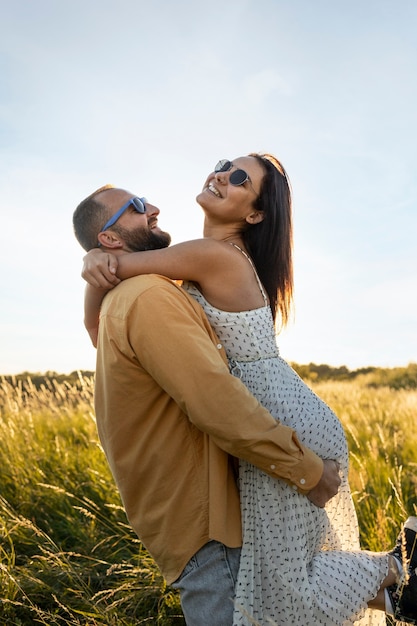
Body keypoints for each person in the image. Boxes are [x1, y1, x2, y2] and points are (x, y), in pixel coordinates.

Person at [80, 155, 417, 626]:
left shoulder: (210, 254)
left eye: (238, 177)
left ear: (254, 215)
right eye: (222, 165)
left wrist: (95, 258)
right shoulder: (195, 266)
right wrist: (97, 260)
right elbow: (101, 320)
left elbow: (115, 268)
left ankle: (395, 569)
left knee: (279, 588)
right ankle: (398, 576)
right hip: (280, 409)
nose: (220, 174)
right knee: (279, 577)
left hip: (277, 414)